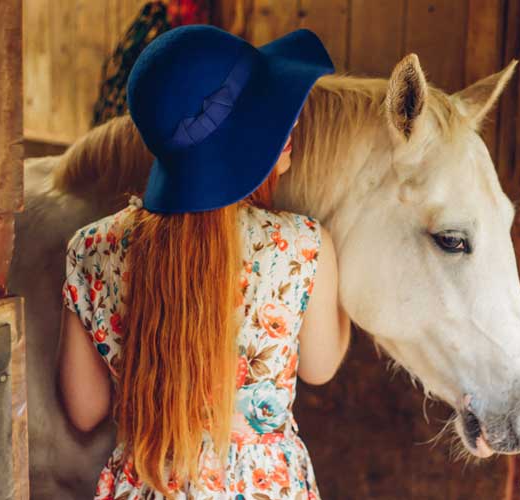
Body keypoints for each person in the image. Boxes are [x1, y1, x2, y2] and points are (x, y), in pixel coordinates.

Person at [57, 25, 350, 499]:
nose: (290, 123)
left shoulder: (91, 249)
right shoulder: (302, 246)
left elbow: (85, 409)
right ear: (239, 141)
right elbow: (319, 366)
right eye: (268, 114)